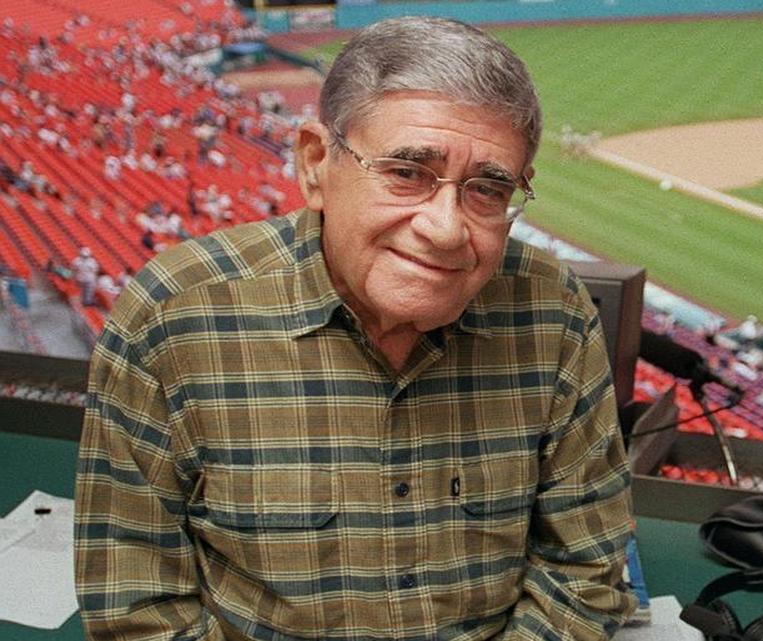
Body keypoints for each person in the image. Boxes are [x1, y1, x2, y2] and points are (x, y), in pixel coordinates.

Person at [75, 17, 636, 641]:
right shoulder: (174, 317)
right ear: (316, 164)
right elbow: (137, 606)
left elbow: (582, 573)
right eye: (406, 172)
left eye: (486, 189)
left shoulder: (553, 314)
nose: (445, 228)